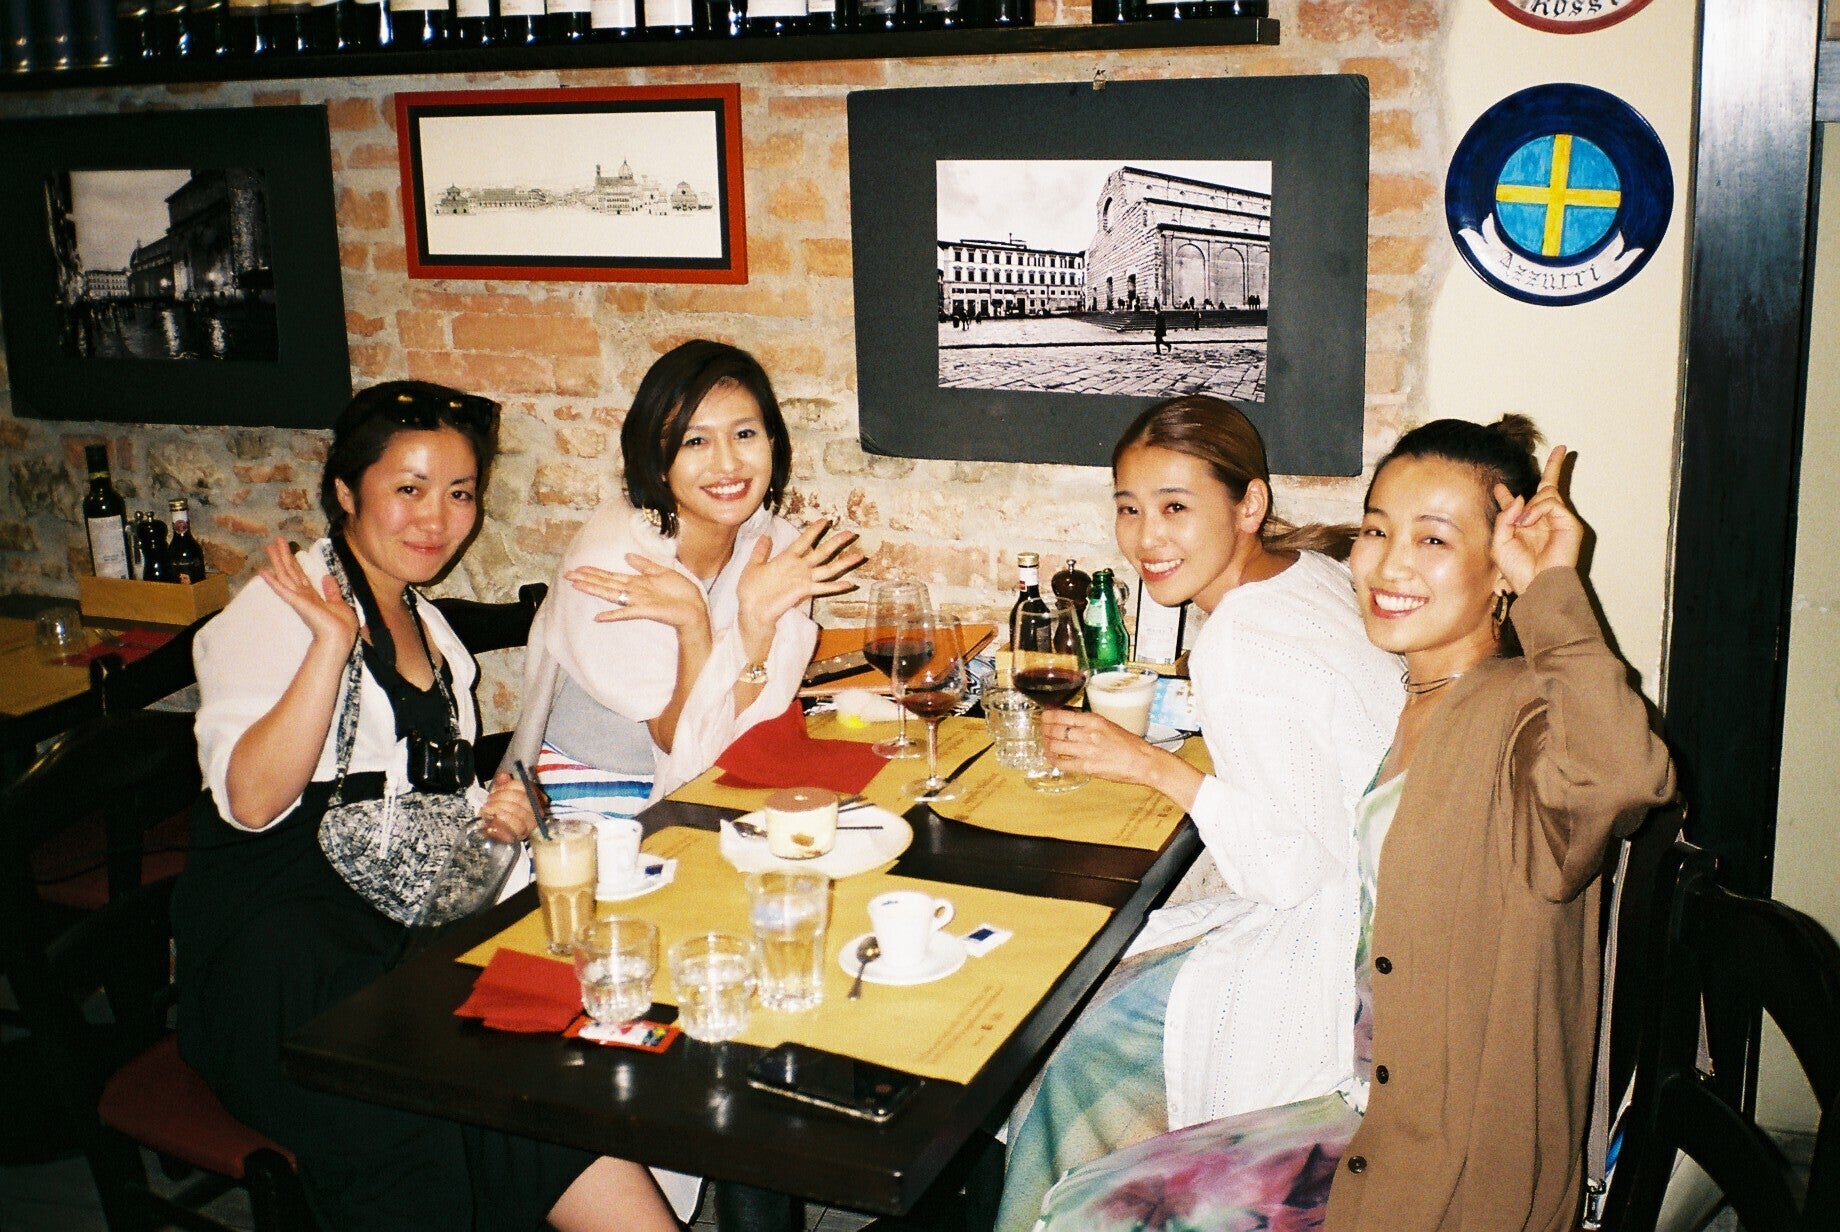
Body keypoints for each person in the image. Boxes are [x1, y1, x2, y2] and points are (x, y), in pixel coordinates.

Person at [1024, 417, 1676, 1232]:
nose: (1390, 564)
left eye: (1433, 540)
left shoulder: (1512, 717)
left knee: (1083, 1212)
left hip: (1446, 1167)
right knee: (1081, 1184)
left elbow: (1628, 774)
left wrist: (1553, 585)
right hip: (1368, 1096)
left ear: (1498, 570)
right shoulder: (1426, 693)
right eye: (1376, 530)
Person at [173, 381, 682, 1231]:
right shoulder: (281, 610)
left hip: (397, 935)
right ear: (346, 491)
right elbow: (250, 802)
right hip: (280, 965)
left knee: (539, 1072)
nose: (436, 520)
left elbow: (418, 807)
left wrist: (497, 815)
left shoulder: (431, 629)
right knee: (431, 1111)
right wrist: (329, 647)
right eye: (408, 489)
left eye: (459, 493)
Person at [994, 395, 1403, 1232]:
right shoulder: (1308, 572)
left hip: (1333, 966)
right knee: (1106, 972)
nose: (1147, 538)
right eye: (1129, 508)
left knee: (1070, 1034)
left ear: (1249, 505)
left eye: (1176, 508)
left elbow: (1288, 870)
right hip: (1379, 919)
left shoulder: (1237, 642)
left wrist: (1149, 766)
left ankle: (1063, 1202)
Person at [510, 340, 863, 817]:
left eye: (744, 434)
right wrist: (695, 625)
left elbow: (743, 723)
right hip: (593, 788)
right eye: (695, 441)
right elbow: (678, 741)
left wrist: (755, 627)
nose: (728, 464)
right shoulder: (616, 560)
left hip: (710, 773)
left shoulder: (778, 548)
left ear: (773, 443)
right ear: (657, 460)